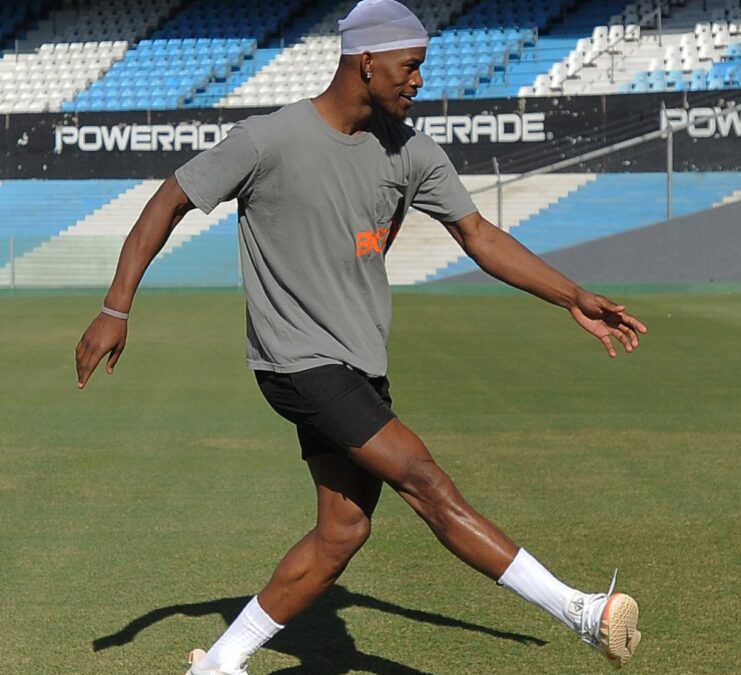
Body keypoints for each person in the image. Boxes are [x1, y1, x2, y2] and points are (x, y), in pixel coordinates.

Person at [74, 1, 646, 672]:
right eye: (410, 67)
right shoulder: (269, 139)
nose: (419, 81)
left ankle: (218, 663)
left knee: (342, 529)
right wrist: (116, 308)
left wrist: (572, 295)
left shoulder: (413, 151)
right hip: (297, 362)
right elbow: (170, 197)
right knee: (425, 479)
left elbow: (480, 237)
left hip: (358, 364)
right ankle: (579, 610)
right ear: (365, 61)